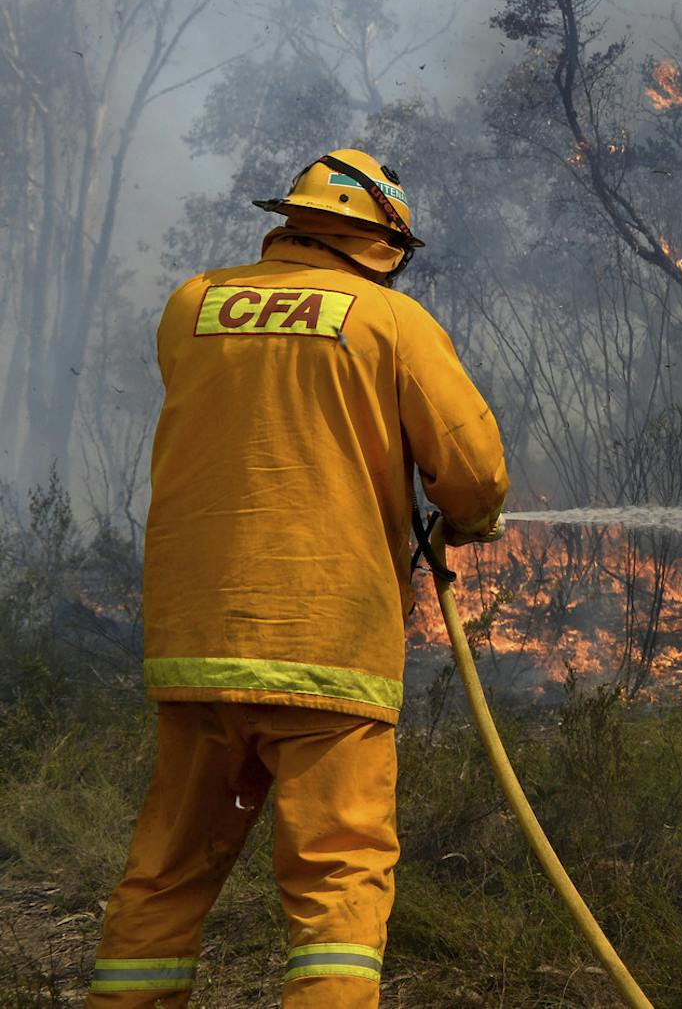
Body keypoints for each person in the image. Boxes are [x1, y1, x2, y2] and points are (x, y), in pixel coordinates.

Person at [89, 151, 509, 1007]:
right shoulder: (391, 321)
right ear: (386, 240)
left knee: (164, 874)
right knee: (337, 887)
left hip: (196, 644)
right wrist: (469, 519)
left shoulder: (190, 304)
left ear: (290, 220)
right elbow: (472, 469)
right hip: (329, 649)